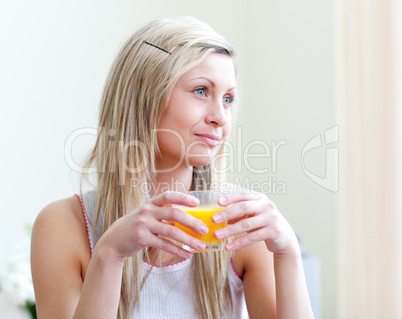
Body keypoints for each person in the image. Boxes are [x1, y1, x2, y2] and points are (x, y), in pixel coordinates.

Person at [31, 16, 314, 319]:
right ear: (144, 96)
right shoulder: (63, 225)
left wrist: (288, 255)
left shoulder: (239, 222)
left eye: (228, 99)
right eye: (202, 91)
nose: (221, 117)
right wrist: (109, 254)